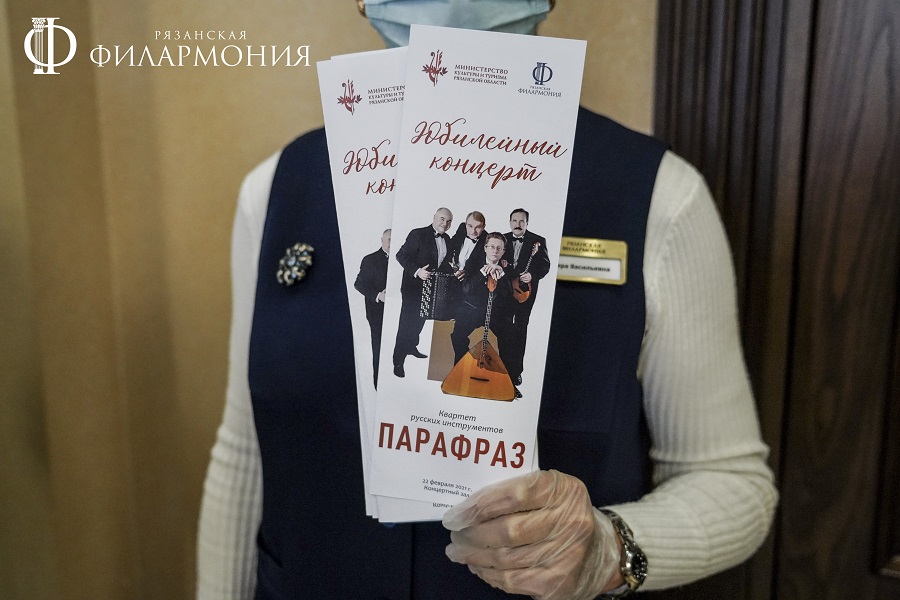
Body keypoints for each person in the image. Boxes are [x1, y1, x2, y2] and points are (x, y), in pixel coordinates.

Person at [197, 2, 778, 599]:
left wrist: (610, 548)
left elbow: (731, 482)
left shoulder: (657, 196)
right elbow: (246, 456)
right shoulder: (277, 190)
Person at [391, 207, 453, 377]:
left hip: (431, 287)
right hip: (412, 287)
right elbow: (400, 255)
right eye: (442, 219)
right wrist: (417, 271)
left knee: (421, 319)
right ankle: (398, 360)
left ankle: (411, 346)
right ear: (434, 218)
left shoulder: (447, 239)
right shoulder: (418, 234)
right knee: (406, 323)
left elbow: (443, 263)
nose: (444, 223)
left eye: (448, 221)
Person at [449, 233, 515, 373]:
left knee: (510, 338)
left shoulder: (507, 267)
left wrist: (502, 275)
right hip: (473, 310)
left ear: (503, 251)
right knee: (457, 336)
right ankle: (463, 367)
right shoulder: (473, 263)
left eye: (499, 248)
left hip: (496, 313)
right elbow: (466, 288)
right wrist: (482, 273)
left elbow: (510, 295)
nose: (495, 251)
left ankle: (508, 377)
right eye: (492, 247)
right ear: (485, 248)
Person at [501, 208, 551, 387]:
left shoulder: (538, 240)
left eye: (521, 221)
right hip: (505, 292)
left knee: (521, 329)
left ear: (527, 223)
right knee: (504, 329)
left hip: (525, 292)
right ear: (510, 222)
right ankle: (503, 368)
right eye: (514, 221)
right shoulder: (502, 238)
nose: (518, 224)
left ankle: (516, 372)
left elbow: (545, 265)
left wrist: (533, 275)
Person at [354, 229, 391, 388]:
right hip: (377, 313)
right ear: (382, 240)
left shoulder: (402, 259)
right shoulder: (370, 259)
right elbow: (359, 284)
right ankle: (378, 385)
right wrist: (378, 295)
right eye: (389, 239)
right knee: (379, 349)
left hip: (398, 313)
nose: (392, 243)